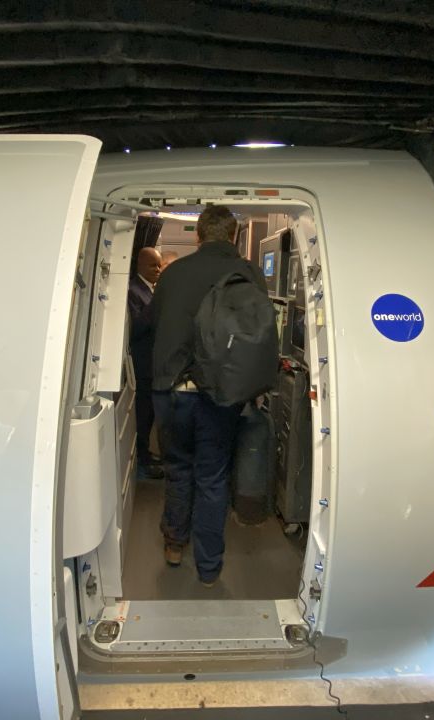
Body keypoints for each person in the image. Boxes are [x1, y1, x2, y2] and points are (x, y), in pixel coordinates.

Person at [150, 205, 267, 586]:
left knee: (178, 469)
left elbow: (152, 325)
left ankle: (173, 543)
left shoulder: (174, 273)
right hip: (221, 394)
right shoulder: (248, 274)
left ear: (198, 235)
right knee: (213, 476)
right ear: (233, 236)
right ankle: (209, 566)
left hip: (171, 390)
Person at [128, 247, 164, 479]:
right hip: (142, 364)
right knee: (142, 415)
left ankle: (146, 454)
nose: (158, 270)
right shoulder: (133, 291)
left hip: (152, 364)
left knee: (149, 414)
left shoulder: (148, 290)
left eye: (159, 265)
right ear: (141, 265)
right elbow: (136, 328)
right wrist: (157, 304)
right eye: (153, 265)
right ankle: (142, 459)